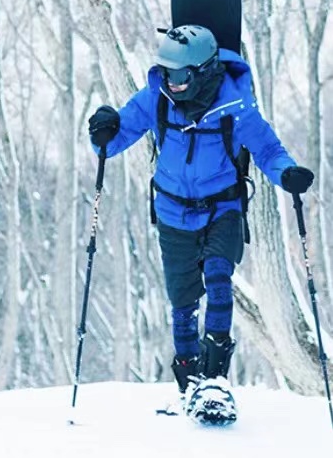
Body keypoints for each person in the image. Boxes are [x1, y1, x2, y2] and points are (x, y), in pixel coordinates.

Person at [87, 25, 314, 423]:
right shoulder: (156, 98)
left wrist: (287, 174)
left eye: (179, 75)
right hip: (173, 212)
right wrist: (102, 131)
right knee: (182, 302)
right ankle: (189, 382)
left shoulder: (235, 104)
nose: (171, 83)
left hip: (221, 208)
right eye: (166, 73)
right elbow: (114, 138)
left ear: (204, 70)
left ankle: (215, 380)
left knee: (219, 278)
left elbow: (268, 149)